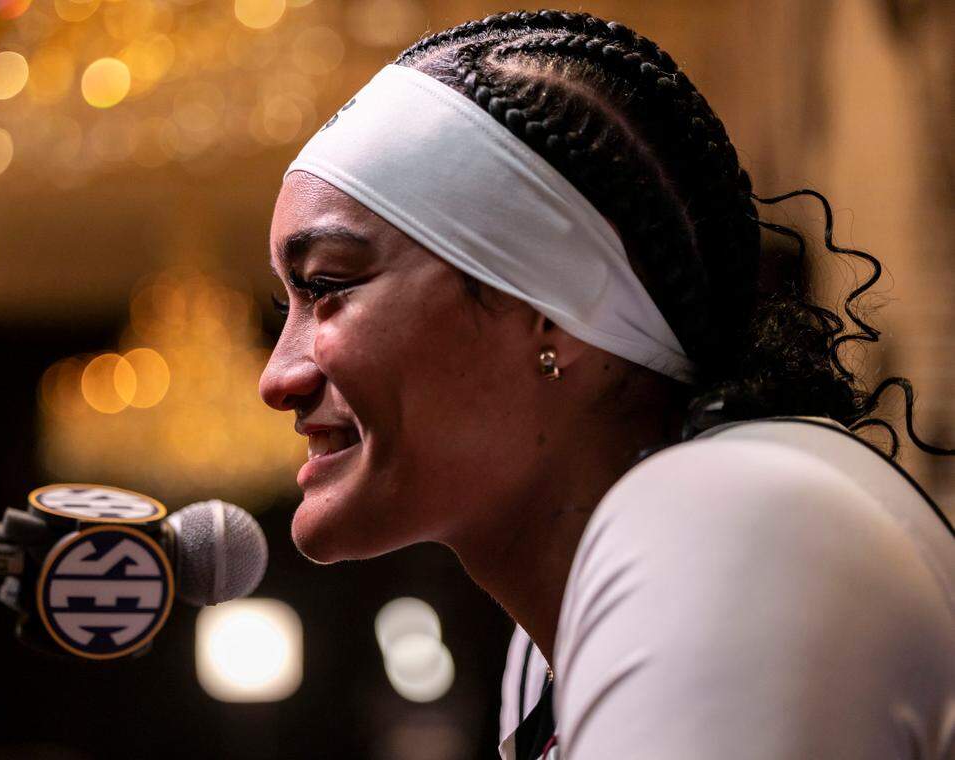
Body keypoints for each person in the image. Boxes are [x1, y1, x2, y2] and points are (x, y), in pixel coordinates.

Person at [257, 10, 955, 759]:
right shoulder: (548, 650)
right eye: (285, 304)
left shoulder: (724, 525)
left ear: (554, 309)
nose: (277, 377)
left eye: (327, 284)